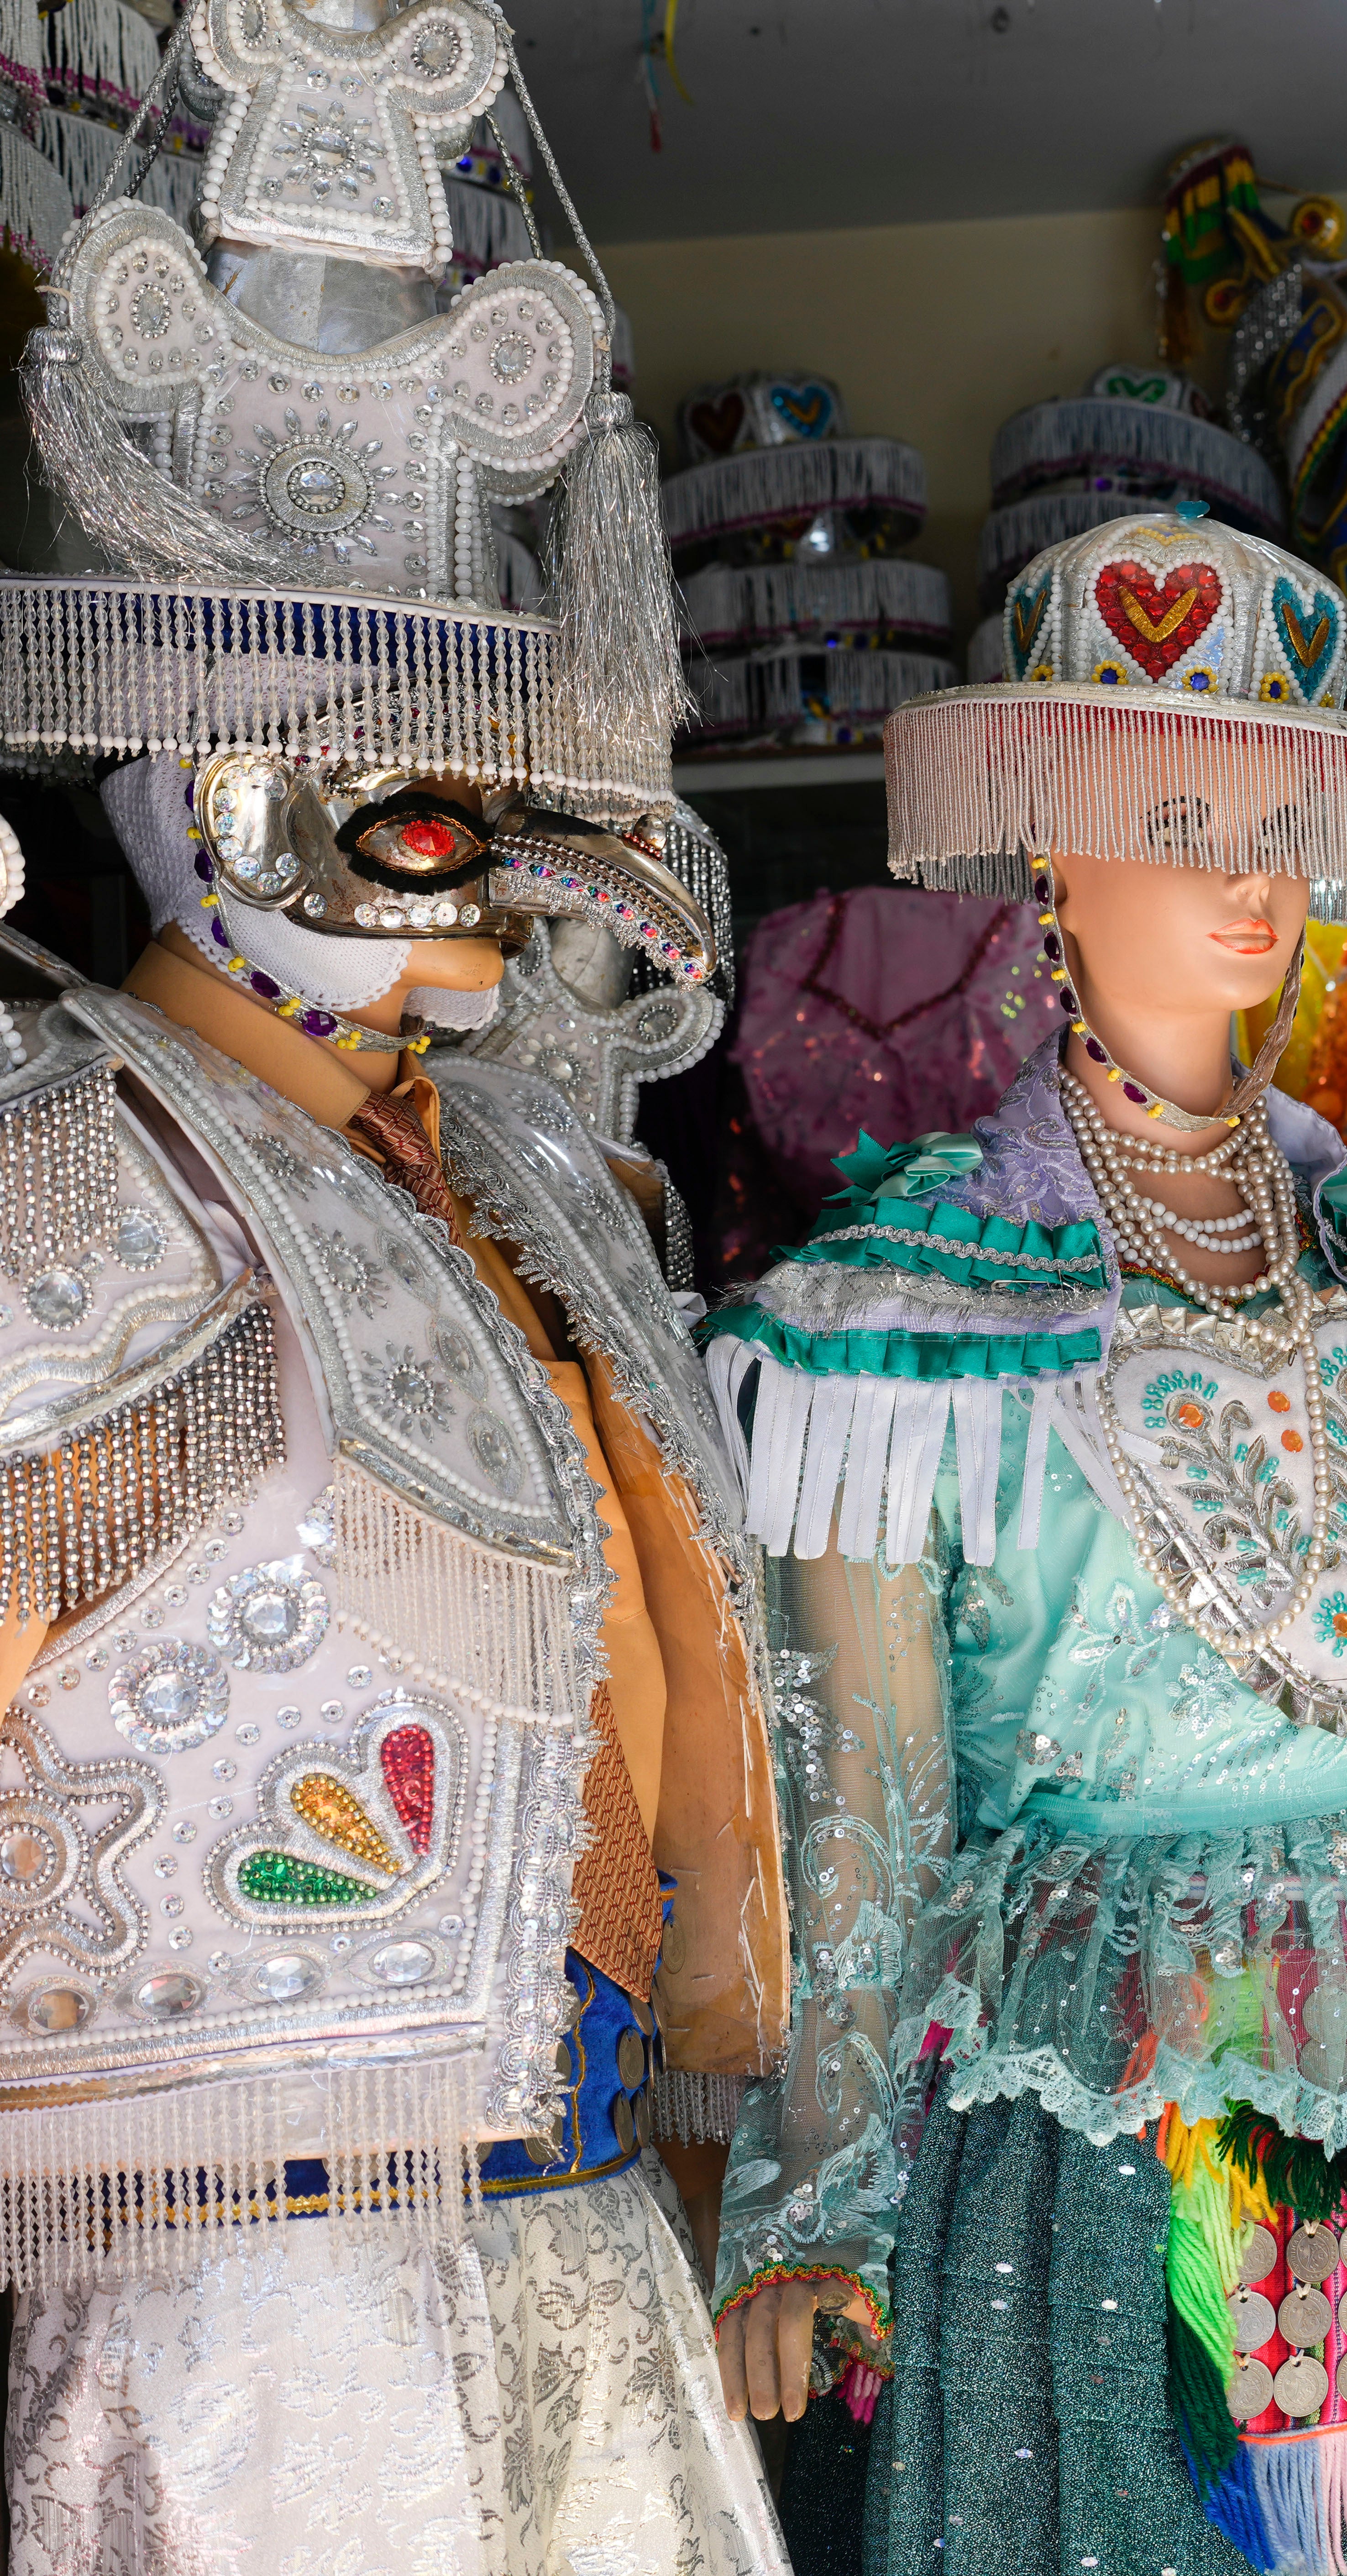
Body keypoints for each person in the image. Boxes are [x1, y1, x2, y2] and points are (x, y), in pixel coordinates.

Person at [0, 0, 792, 2561]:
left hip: (579, 2250)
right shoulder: (68, 1170)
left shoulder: (537, 1184)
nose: (504, 867)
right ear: (193, 771)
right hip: (260, 2327)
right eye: (424, 788)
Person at [700, 513, 1347, 2576]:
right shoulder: (894, 1325)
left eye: (1283, 822)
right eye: (1181, 815)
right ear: (1048, 847)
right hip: (1118, 2143)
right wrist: (822, 2206)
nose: (1250, 876)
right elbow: (861, 1804)